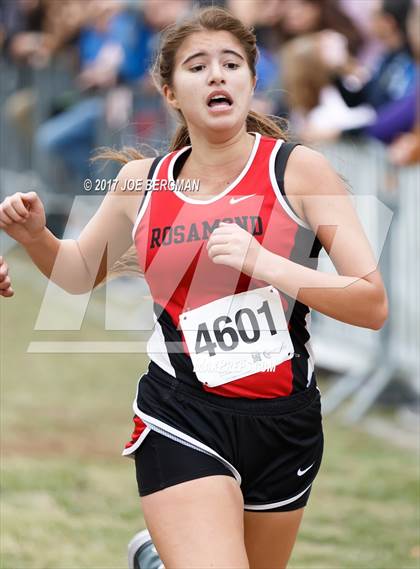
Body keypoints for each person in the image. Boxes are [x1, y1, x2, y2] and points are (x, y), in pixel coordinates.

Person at [0, 7, 388, 569]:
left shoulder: (299, 171)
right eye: (197, 66)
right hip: (180, 411)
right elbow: (77, 275)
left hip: (284, 421)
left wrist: (268, 264)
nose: (217, 75)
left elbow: (371, 302)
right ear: (169, 91)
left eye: (232, 64)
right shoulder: (143, 182)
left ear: (253, 82)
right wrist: (36, 237)